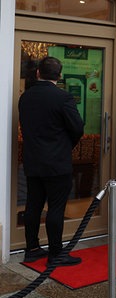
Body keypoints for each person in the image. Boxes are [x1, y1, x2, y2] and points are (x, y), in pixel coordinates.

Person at [18, 56, 85, 266]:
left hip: (32, 160)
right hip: (57, 162)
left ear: (38, 73)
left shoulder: (25, 97)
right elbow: (77, 128)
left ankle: (32, 248)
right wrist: (66, 145)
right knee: (56, 207)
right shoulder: (63, 98)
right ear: (60, 75)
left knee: (33, 205)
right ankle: (56, 253)